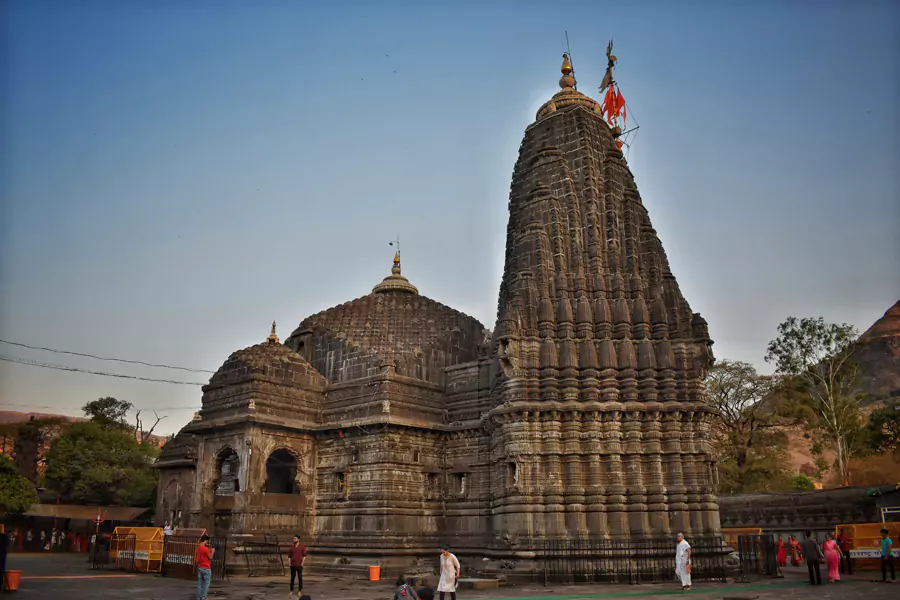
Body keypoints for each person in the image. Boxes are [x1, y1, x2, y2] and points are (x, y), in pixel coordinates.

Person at [195, 534, 214, 600]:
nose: (207, 542)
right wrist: (212, 551)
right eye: (207, 541)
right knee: (206, 584)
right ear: (205, 540)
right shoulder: (205, 549)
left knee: (199, 584)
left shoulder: (198, 548)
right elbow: (210, 557)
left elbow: (197, 559)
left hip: (200, 567)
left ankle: (198, 597)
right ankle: (204, 597)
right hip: (206, 568)